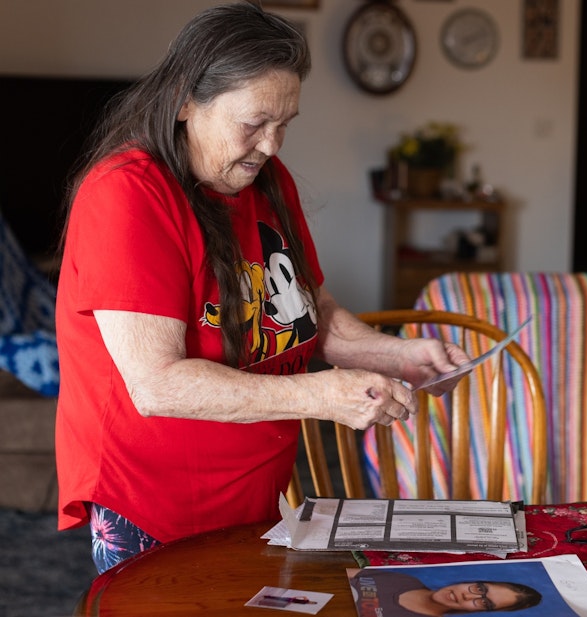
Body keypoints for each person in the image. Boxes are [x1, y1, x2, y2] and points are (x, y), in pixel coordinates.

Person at [54, 2, 469, 574]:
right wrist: (321, 396)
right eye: (254, 124)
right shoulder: (125, 195)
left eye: (285, 124)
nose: (272, 146)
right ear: (184, 103)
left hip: (256, 490)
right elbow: (156, 384)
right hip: (152, 502)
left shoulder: (268, 182)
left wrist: (400, 355)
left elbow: (308, 313)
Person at [351, 570, 542, 616]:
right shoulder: (405, 579)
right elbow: (334, 575)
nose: (468, 596)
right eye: (480, 589)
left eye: (484, 603)